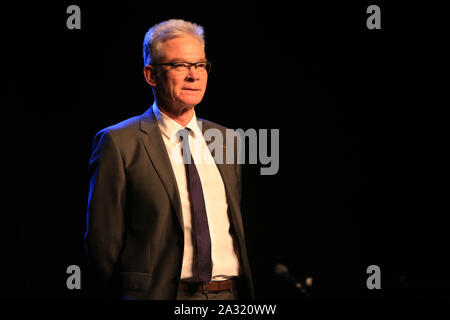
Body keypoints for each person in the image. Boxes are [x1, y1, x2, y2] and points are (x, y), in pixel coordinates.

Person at [85, 19, 254, 300]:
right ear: (151, 75)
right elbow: (103, 243)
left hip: (228, 296)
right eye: (180, 65)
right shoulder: (118, 142)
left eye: (200, 65)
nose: (194, 75)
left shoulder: (227, 140)